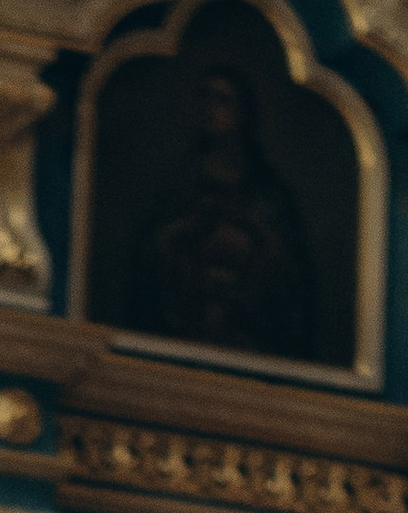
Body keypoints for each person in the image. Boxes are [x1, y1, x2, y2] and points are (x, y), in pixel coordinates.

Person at [135, 61, 316, 359]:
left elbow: (291, 272)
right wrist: (184, 230)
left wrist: (251, 230)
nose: (210, 108)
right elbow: (149, 252)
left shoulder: (268, 193)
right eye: (204, 97)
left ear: (243, 113)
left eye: (222, 100)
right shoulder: (179, 184)